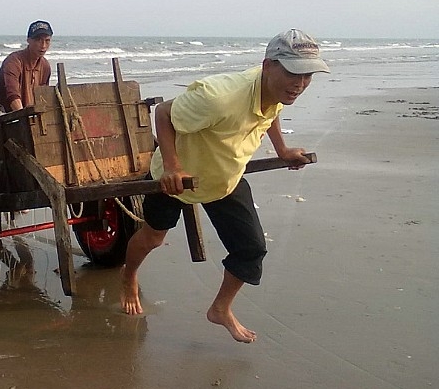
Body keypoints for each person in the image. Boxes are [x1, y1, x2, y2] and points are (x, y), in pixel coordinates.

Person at [120, 29, 330, 343]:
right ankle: (128, 276)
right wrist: (174, 167)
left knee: (251, 249)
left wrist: (283, 150)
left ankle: (220, 308)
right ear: (268, 66)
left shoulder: (277, 89)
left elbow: (270, 111)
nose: (299, 84)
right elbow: (163, 113)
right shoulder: (219, 98)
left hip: (223, 177)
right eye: (293, 73)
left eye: (307, 75)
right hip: (177, 177)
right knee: (153, 237)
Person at [0, 20, 52, 111]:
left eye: (47, 41)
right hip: (7, 114)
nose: (43, 45)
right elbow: (13, 96)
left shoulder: (45, 66)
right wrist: (23, 116)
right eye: (38, 40)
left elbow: (42, 97)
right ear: (28, 40)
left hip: (30, 113)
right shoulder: (13, 61)